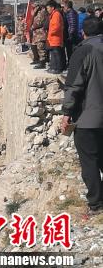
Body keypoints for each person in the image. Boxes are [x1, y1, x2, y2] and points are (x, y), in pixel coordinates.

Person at [62, 16, 103, 213]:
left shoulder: (83, 51)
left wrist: (66, 113)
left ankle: (96, 204)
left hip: (89, 119)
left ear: (83, 32)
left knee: (89, 161)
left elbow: (74, 86)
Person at [46, 0, 65, 74]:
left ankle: (58, 69)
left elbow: (56, 27)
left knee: (57, 54)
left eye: (48, 8)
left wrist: (50, 33)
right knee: (53, 54)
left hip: (56, 38)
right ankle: (53, 67)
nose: (47, 10)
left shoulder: (56, 14)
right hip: (53, 38)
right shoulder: (53, 14)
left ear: (52, 7)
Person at [31, 4, 48, 69]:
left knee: (41, 48)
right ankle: (37, 60)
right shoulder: (37, 13)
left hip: (41, 34)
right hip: (37, 34)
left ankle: (42, 63)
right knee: (35, 47)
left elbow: (38, 22)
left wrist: (32, 27)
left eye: (35, 7)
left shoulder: (41, 13)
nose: (34, 9)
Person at [63, 0, 78, 65]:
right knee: (69, 50)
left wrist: (70, 34)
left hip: (71, 35)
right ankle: (70, 62)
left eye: (64, 6)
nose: (63, 8)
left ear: (67, 6)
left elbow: (73, 25)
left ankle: (71, 63)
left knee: (70, 50)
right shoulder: (70, 13)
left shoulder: (71, 13)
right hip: (71, 34)